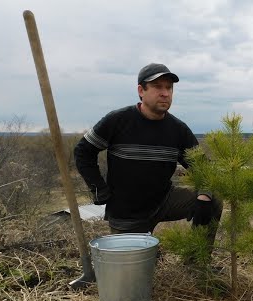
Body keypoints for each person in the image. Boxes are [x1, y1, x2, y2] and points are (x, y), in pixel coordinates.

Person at [74, 63, 222, 261]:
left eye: (169, 88)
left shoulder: (178, 129)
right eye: (158, 87)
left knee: (213, 200)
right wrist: (98, 188)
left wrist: (204, 196)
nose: (165, 93)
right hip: (127, 211)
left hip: (164, 200)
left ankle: (197, 264)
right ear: (141, 91)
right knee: (133, 273)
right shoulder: (118, 120)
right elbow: (83, 151)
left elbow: (202, 167)